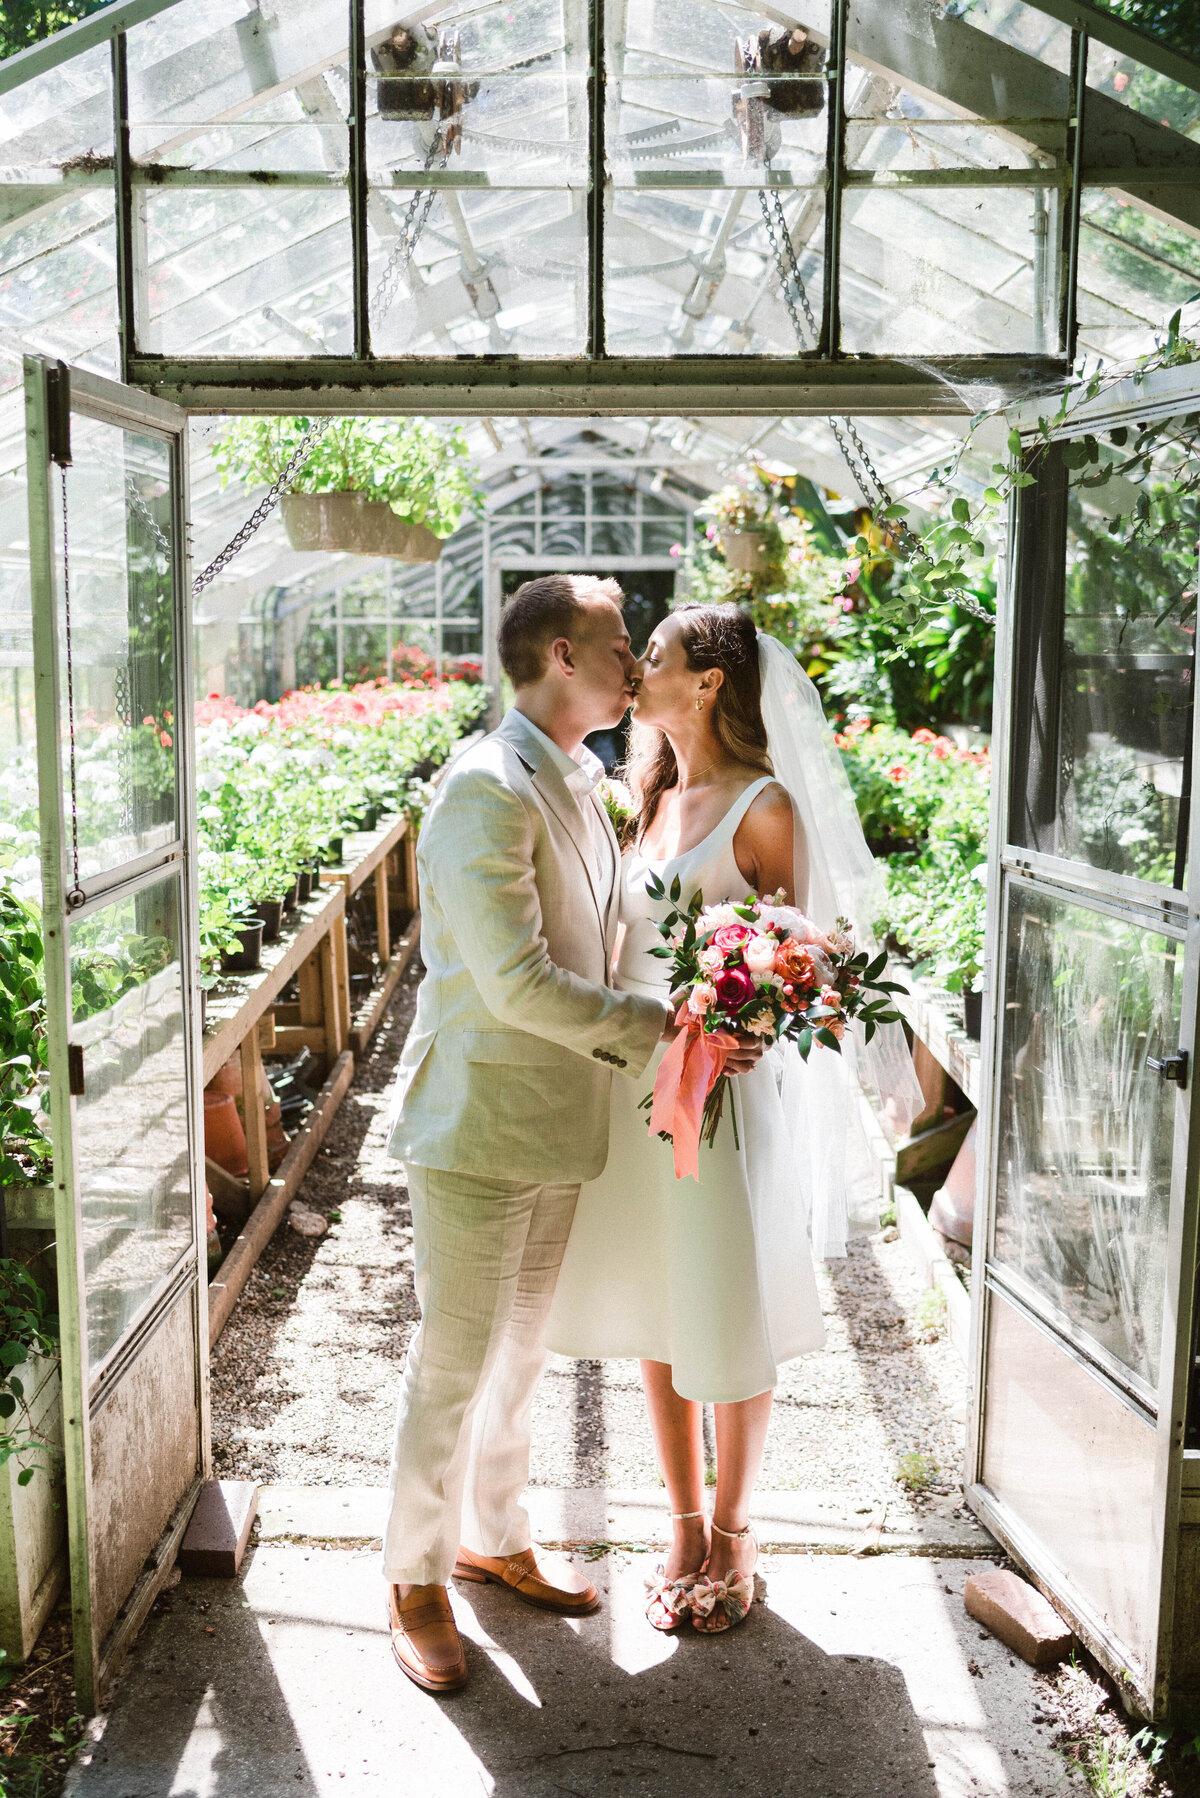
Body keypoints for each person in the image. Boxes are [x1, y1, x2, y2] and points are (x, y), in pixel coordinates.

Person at [381, 576, 764, 1693]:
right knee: (452, 1360)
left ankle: (491, 1537)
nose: (633, 663)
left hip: (559, 1124)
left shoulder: (581, 777)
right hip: (478, 1121)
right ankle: (411, 1576)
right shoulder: (484, 789)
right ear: (561, 655)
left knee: (520, 1354)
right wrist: (664, 1027)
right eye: (616, 645)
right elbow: (511, 981)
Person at [547, 602, 920, 1635]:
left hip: (725, 1101)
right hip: (635, 1094)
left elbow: (801, 963)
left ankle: (737, 1531)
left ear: (708, 681)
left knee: (728, 1299)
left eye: (651, 655)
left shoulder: (762, 806)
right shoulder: (644, 797)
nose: (633, 668)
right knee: (659, 1304)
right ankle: (678, 1522)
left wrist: (754, 1004)